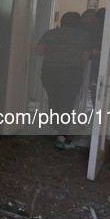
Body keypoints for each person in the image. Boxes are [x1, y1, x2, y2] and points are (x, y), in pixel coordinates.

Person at [35, 12, 91, 148]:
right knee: (67, 103)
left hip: (50, 71)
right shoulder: (83, 37)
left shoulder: (50, 33)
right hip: (72, 72)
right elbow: (86, 57)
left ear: (62, 21)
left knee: (53, 100)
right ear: (78, 23)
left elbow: (39, 51)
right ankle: (61, 136)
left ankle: (55, 128)